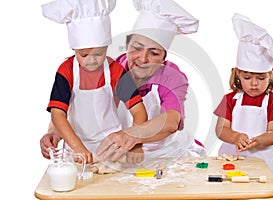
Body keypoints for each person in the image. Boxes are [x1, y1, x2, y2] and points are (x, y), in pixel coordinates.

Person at [40, 0, 205, 162]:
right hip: (116, 152)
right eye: (137, 48)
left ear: (163, 57)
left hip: (163, 151)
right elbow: (67, 106)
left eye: (154, 53)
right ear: (126, 46)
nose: (143, 59)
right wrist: (54, 131)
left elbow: (171, 121)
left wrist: (134, 138)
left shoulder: (171, 77)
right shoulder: (113, 68)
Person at [41, 0, 147, 164]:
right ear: (74, 49)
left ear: (106, 47)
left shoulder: (115, 70)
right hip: (75, 150)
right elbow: (58, 115)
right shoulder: (66, 70)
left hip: (113, 149)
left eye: (98, 54)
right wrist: (78, 148)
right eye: (83, 55)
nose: (91, 61)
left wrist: (135, 142)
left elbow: (139, 111)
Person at [214, 13, 273, 179]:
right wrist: (235, 137)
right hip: (230, 162)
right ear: (238, 74)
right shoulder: (229, 100)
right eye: (247, 78)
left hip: (262, 164)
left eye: (261, 78)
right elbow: (221, 129)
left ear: (271, 74)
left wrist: (258, 141)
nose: (254, 84)